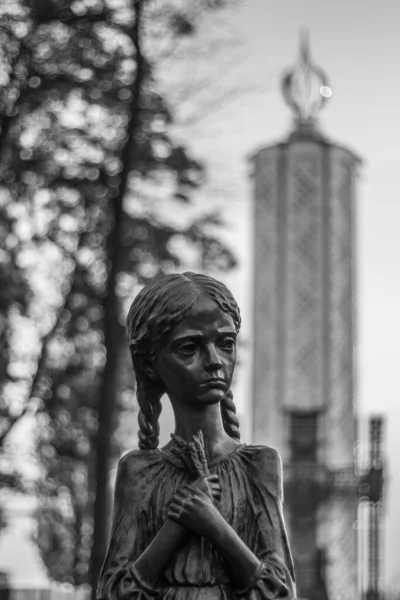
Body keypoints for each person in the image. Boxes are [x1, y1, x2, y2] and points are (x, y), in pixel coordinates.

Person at [97, 272, 296, 600]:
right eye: (189, 348)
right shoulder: (139, 471)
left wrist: (213, 525)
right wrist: (175, 526)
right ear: (150, 364)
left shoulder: (259, 465)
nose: (215, 361)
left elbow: (280, 592)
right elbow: (113, 593)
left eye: (226, 343)